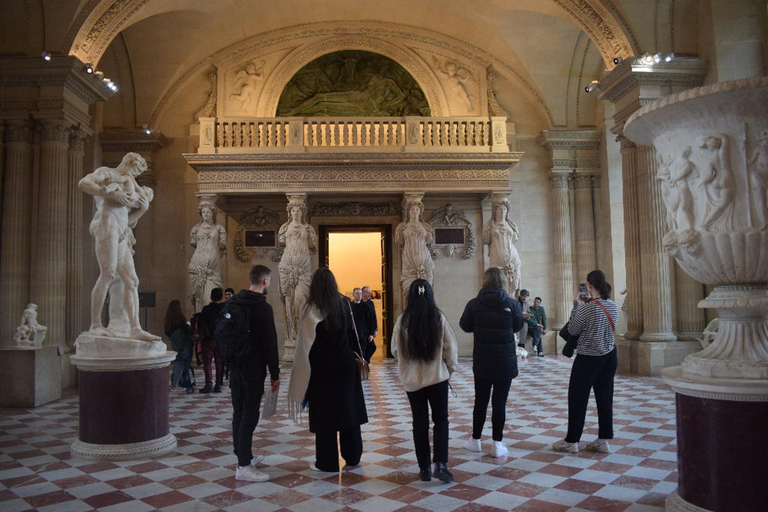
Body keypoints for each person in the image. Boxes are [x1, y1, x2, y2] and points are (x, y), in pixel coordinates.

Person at [287, 268, 368, 472]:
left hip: (321, 369)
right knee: (349, 412)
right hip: (345, 366)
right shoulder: (344, 304)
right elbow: (351, 333)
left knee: (325, 418)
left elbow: (305, 344)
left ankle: (327, 462)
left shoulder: (309, 308)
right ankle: (352, 457)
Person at [79, 152, 158, 341]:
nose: (137, 174)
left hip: (122, 231)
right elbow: (83, 183)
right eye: (137, 169)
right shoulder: (108, 174)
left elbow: (130, 220)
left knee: (132, 281)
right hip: (107, 224)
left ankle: (135, 328)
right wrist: (108, 192)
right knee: (108, 273)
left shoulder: (129, 181)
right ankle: (96, 324)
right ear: (129, 163)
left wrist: (143, 209)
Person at [392, 279, 458, 482]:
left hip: (413, 381)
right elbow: (451, 349)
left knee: (419, 423)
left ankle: (424, 469)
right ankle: (441, 463)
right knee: (440, 420)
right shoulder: (438, 317)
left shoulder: (402, 320)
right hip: (436, 378)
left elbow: (395, 350)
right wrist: (448, 370)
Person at [459, 268, 524, 458]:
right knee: (499, 402)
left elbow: (465, 326)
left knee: (480, 400)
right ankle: (497, 443)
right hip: (505, 361)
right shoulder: (512, 304)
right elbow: (518, 326)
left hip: (483, 359)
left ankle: (476, 440)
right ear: (503, 282)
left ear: (485, 281)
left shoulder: (475, 303)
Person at [553, 270, 618, 454]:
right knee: (605, 398)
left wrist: (576, 306)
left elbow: (573, 330)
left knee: (577, 399)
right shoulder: (612, 305)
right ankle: (603, 440)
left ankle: (572, 441)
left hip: (589, 358)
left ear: (589, 286)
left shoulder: (587, 307)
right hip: (610, 355)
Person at [229, 265, 280, 482]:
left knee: (238, 413)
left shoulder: (233, 302)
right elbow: (270, 343)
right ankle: (243, 467)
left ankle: (244, 455)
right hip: (253, 370)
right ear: (265, 281)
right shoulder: (262, 308)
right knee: (249, 414)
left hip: (235, 368)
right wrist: (275, 373)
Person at [189, 203, 227, 312]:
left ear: (213, 214)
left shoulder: (219, 229)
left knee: (212, 295)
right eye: (203, 212)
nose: (205, 214)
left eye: (208, 212)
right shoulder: (195, 229)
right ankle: (199, 322)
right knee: (198, 297)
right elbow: (193, 243)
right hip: (197, 264)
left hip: (213, 267)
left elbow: (222, 245)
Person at [395, 200, 435, 301]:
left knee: (427, 290)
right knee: (409, 291)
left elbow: (430, 240)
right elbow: (399, 242)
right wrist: (399, 233)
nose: (415, 211)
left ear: (420, 212)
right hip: (409, 260)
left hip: (424, 259)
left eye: (417, 209)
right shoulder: (402, 226)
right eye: (412, 209)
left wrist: (429, 233)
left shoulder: (425, 226)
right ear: (408, 212)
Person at [165, 300, 195, 394]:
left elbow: (167, 332)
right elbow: (187, 330)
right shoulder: (181, 320)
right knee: (182, 363)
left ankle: (180, 383)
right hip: (183, 344)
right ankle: (177, 384)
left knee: (179, 362)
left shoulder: (168, 320)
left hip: (174, 342)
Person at [199, 288, 225, 393]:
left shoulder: (206, 309)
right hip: (220, 339)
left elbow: (201, 324)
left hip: (208, 339)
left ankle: (208, 383)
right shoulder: (224, 308)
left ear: (211, 296)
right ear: (221, 296)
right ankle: (218, 383)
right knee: (219, 362)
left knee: (207, 362)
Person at [352, 287, 377, 361]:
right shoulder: (350, 306)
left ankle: (364, 364)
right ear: (353, 295)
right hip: (353, 333)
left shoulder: (365, 306)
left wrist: (371, 333)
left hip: (364, 333)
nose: (359, 295)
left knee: (367, 349)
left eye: (360, 293)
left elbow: (371, 320)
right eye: (357, 293)